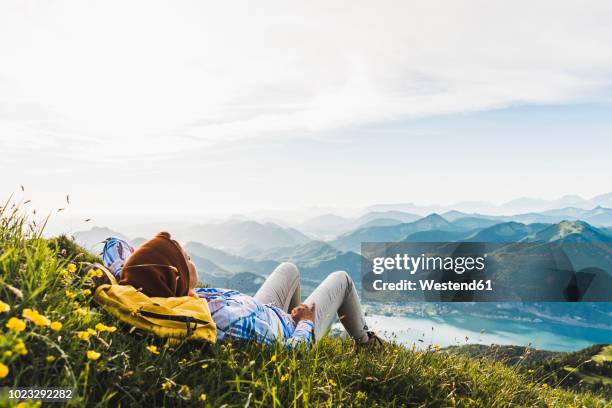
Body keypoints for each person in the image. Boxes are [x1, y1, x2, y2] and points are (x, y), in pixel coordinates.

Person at [106, 231, 381, 348]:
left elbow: (115, 247)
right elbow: (292, 356)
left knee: (289, 269)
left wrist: (125, 272)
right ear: (175, 277)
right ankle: (366, 342)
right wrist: (304, 324)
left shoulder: (154, 288)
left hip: (264, 310)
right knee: (342, 278)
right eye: (187, 259)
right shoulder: (222, 319)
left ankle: (292, 316)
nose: (193, 260)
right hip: (289, 332)